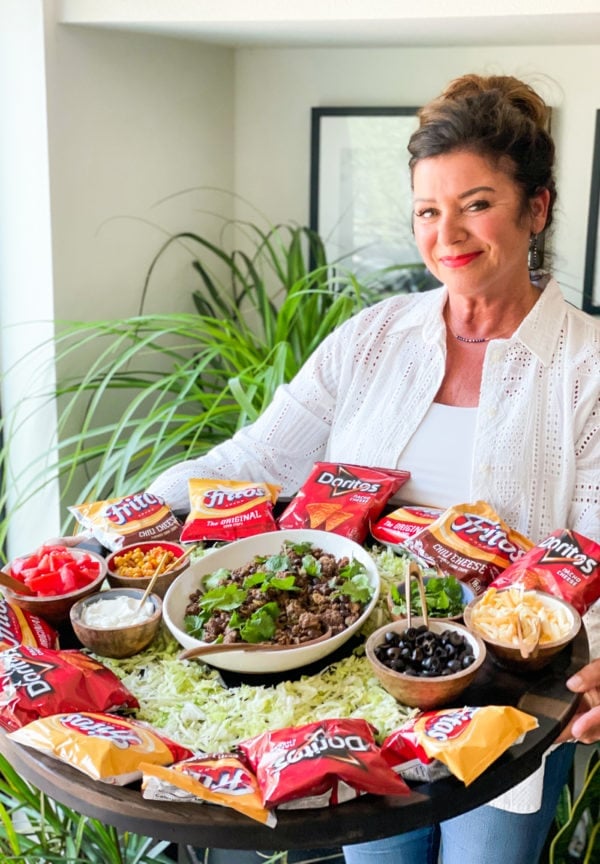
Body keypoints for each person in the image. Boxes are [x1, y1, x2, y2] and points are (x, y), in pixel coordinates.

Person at [147, 73, 600, 863]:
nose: (447, 234)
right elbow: (257, 457)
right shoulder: (373, 337)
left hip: (507, 703)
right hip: (367, 691)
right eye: (428, 210)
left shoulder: (588, 365)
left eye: (476, 203)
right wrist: (135, 510)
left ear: (538, 208)